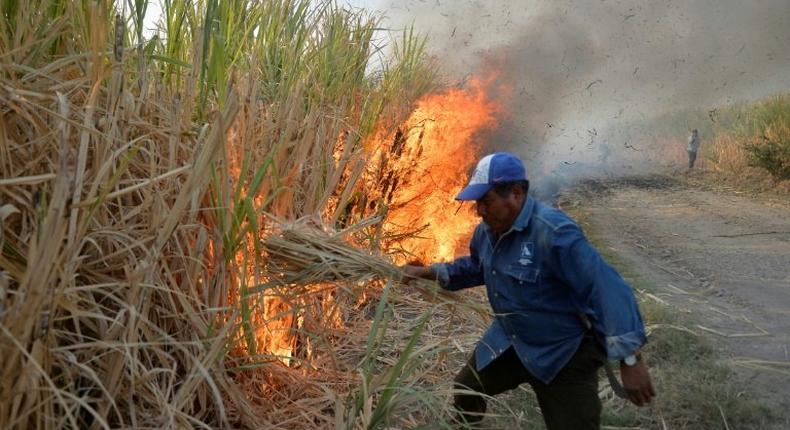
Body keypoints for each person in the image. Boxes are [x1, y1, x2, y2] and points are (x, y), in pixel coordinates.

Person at [402, 152, 655, 429]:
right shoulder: (486, 232)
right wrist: (432, 272)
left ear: (516, 193)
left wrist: (630, 359)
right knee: (466, 388)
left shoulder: (555, 233)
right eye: (477, 204)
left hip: (563, 353)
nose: (480, 212)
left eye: (486, 202)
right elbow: (477, 267)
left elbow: (607, 290)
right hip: (512, 340)